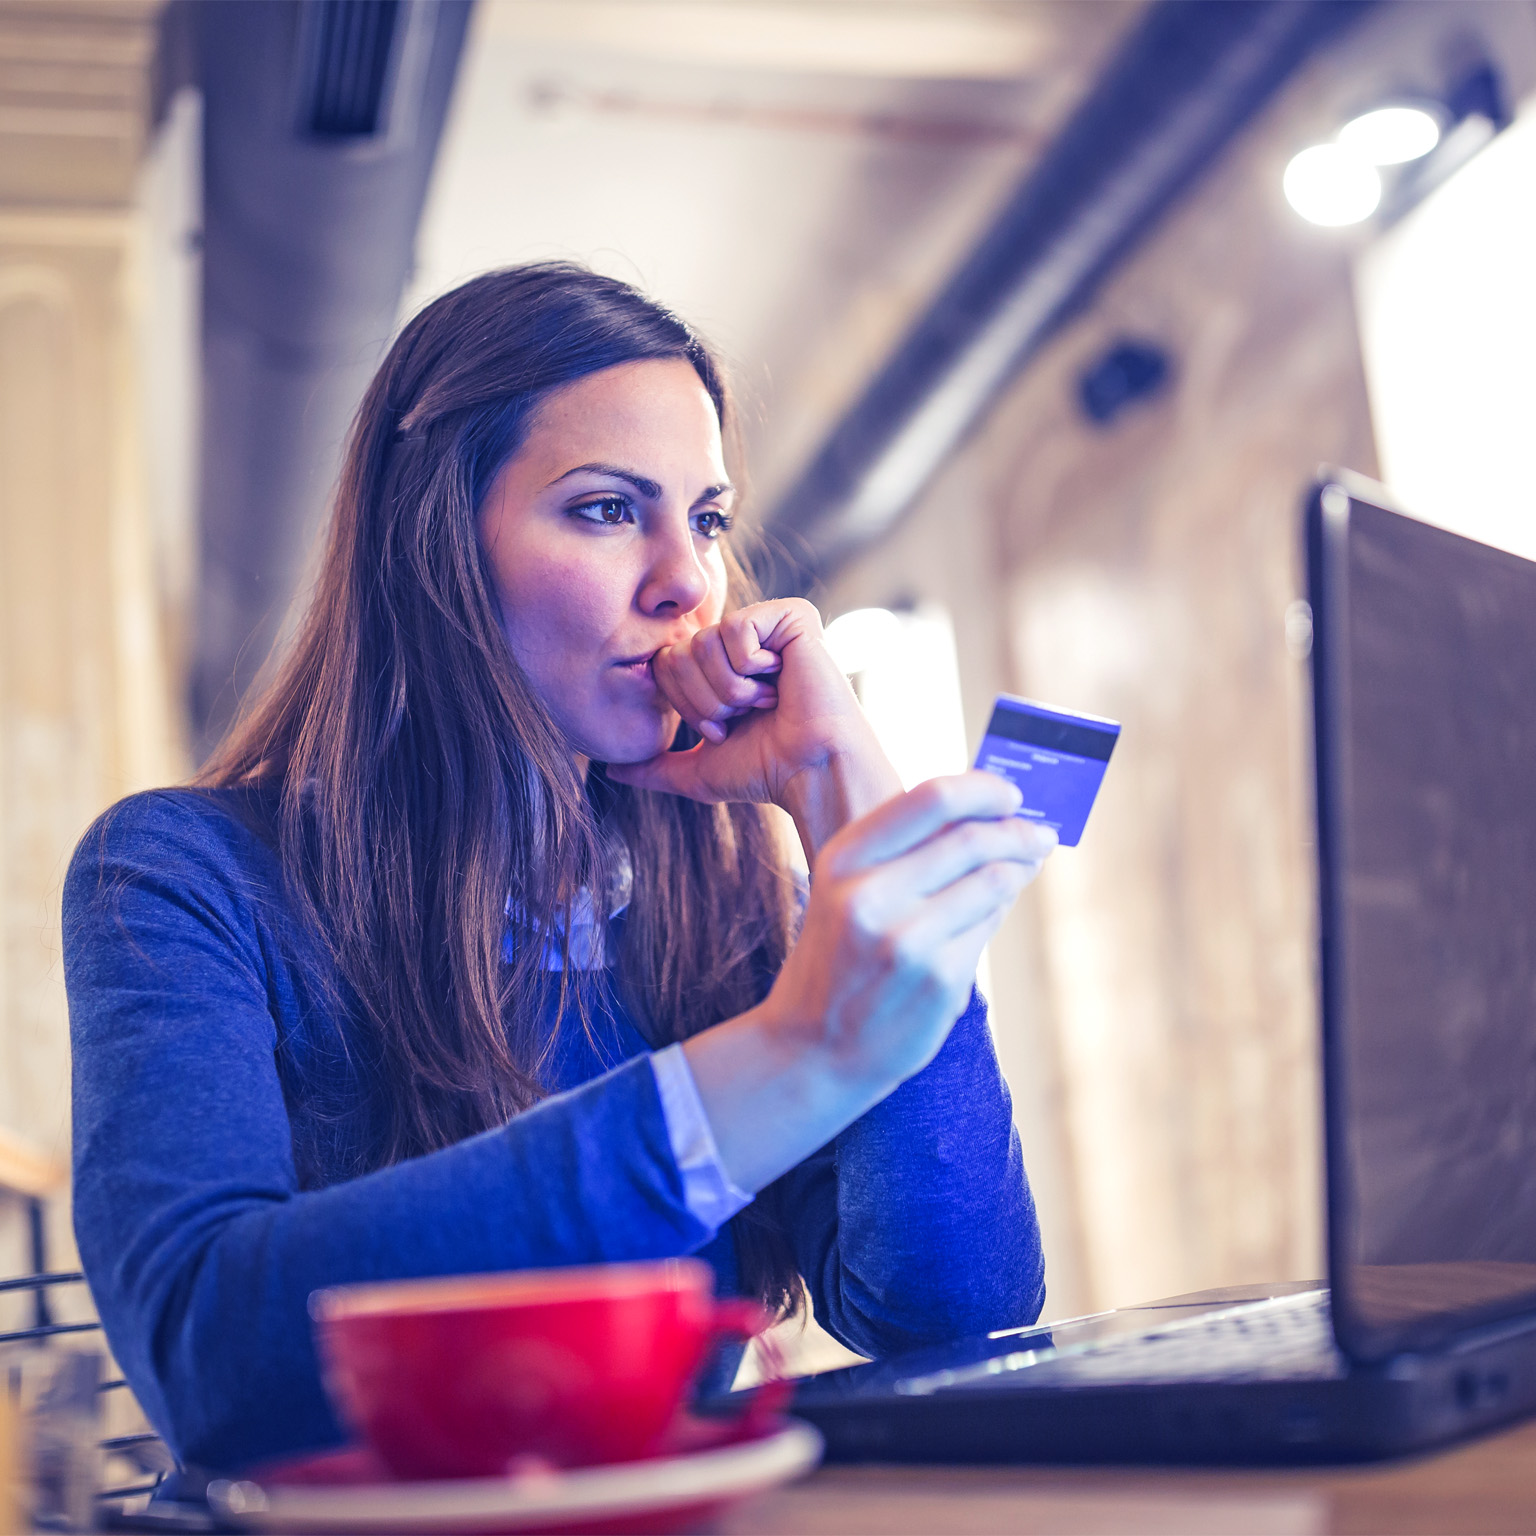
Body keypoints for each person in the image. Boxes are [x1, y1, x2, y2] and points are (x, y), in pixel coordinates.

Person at [64, 263, 1056, 1473]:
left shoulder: (737, 912)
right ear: (434, 550)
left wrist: (847, 819)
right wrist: (790, 1054)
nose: (689, 580)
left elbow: (955, 1321)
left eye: (702, 517)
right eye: (603, 509)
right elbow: (207, 1360)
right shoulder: (184, 876)